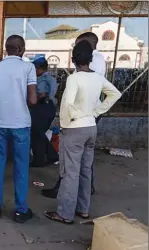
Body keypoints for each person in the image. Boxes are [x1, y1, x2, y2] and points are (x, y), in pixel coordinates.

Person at [44, 41, 121, 224]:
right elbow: (115, 94)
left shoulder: (74, 78)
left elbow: (68, 104)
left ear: (73, 59)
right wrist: (95, 112)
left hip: (74, 129)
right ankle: (83, 209)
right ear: (91, 59)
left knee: (70, 172)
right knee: (86, 170)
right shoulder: (97, 77)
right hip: (91, 128)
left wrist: (69, 121)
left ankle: (65, 213)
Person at [42, 32, 106, 198]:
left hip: (79, 116)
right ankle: (85, 193)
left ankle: (65, 197)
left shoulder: (87, 69)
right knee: (85, 158)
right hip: (91, 115)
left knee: (70, 159)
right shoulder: (98, 61)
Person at [0, 35, 38, 224]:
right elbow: (32, 100)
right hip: (21, 124)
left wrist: (2, 104)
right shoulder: (28, 68)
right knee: (21, 166)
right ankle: (21, 210)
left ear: (6, 49)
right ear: (21, 49)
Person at [29, 57, 59, 167]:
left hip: (45, 107)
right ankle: (40, 159)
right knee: (37, 133)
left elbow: (51, 92)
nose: (34, 71)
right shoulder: (39, 78)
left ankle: (50, 156)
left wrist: (45, 96)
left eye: (35, 68)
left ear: (41, 68)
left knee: (38, 132)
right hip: (39, 107)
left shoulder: (48, 78)